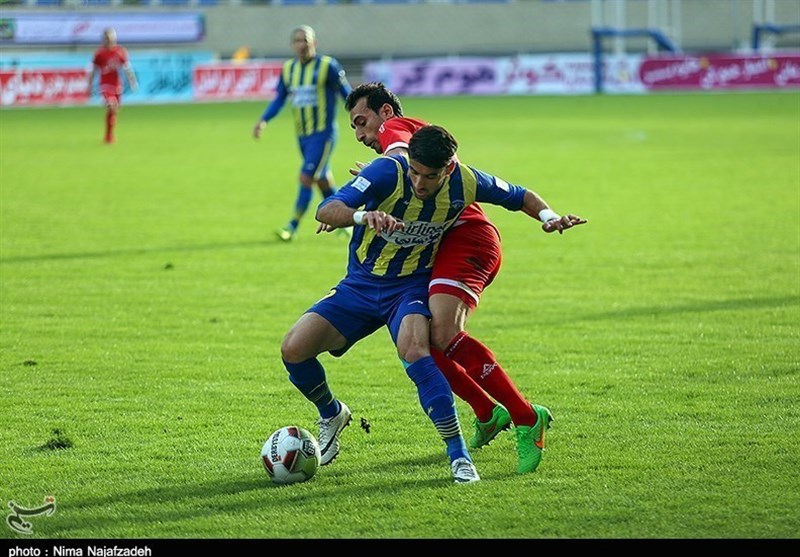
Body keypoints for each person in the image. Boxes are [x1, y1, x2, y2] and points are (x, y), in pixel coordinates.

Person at [342, 83, 582, 473]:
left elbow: (400, 153)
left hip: (466, 239)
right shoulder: (419, 139)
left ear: (386, 113)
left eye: (362, 122)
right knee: (419, 344)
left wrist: (383, 168)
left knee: (444, 335)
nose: (361, 135)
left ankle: (525, 416)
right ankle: (487, 412)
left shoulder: (397, 133)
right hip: (436, 247)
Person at [252, 25, 352, 242]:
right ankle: (346, 223)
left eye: (305, 40)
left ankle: (292, 226)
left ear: (314, 42)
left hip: (323, 135)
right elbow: (279, 98)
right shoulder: (289, 69)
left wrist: (360, 116)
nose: (301, 44)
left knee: (306, 177)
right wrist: (263, 120)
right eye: (297, 40)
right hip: (303, 136)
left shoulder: (328, 66)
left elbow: (347, 95)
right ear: (292, 45)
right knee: (322, 179)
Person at [87, 28, 137, 145]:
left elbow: (127, 68)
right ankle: (109, 138)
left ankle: (109, 136)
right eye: (107, 39)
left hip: (117, 85)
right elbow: (93, 70)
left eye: (111, 38)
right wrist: (89, 85)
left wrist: (132, 81)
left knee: (114, 111)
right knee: (111, 106)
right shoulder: (99, 54)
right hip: (105, 85)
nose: (109, 41)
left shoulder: (120, 52)